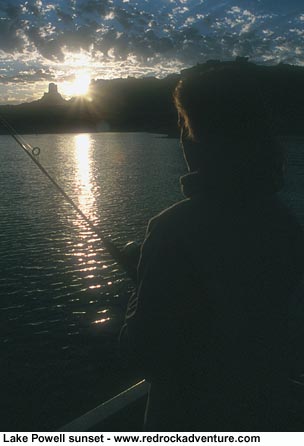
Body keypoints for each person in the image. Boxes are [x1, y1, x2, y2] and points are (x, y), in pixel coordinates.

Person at [121, 65, 304, 431]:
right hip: (265, 413)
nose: (182, 138)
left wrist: (139, 290)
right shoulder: (285, 221)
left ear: (203, 138)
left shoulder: (172, 230)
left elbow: (142, 352)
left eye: (185, 124)